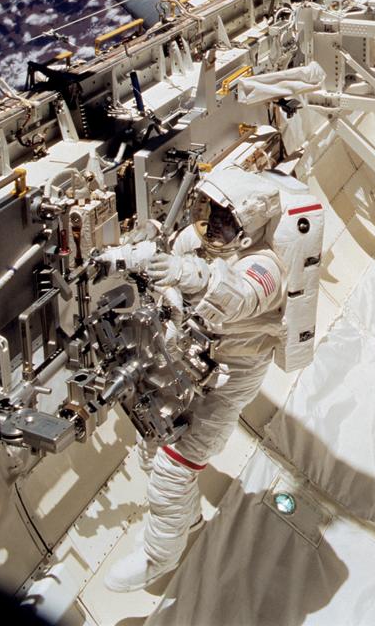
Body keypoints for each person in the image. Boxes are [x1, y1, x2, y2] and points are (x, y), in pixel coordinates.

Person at [97, 166, 288, 592]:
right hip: (187, 356)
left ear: (247, 227)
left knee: (172, 466)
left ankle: (159, 557)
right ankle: (188, 520)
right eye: (206, 213)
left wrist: (187, 274)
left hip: (232, 374)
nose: (211, 226)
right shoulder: (195, 242)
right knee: (154, 440)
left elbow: (237, 298)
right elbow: (171, 278)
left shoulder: (265, 267)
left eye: (223, 221)